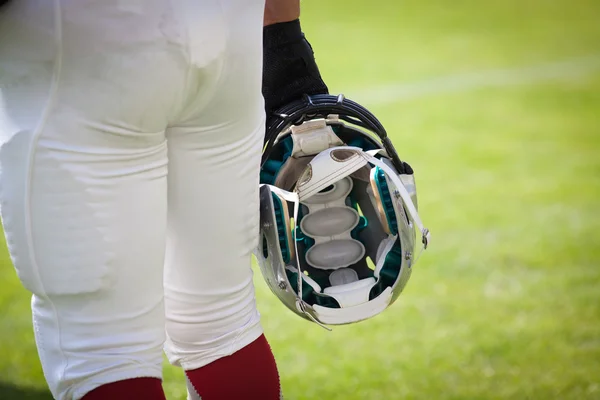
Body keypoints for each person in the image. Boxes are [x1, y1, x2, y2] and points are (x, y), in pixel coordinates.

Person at [0, 0, 327, 399]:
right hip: (227, 34)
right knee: (222, 323)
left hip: (81, 39)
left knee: (104, 352)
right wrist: (288, 50)